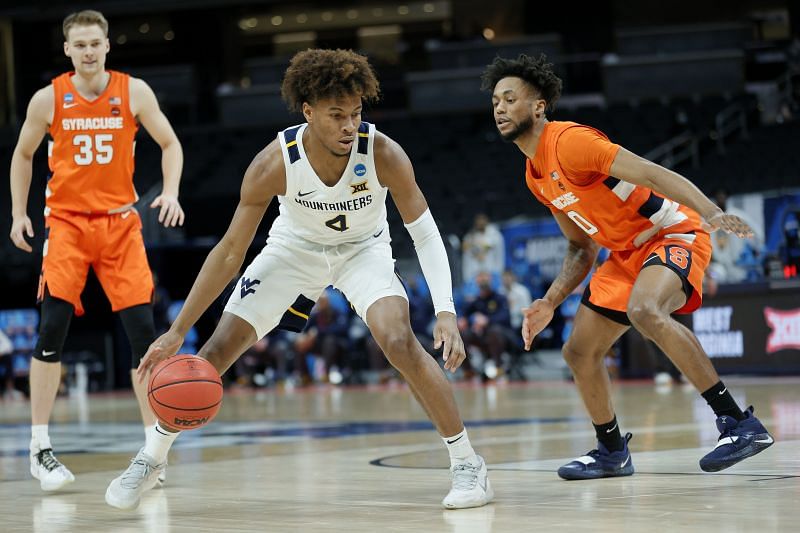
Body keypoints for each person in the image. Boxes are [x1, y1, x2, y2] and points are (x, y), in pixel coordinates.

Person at [105, 49, 493, 511]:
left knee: (399, 339)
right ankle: (152, 459)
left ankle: (468, 464)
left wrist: (446, 311)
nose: (350, 125)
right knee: (213, 353)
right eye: (336, 116)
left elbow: (425, 234)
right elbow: (229, 252)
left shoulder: (383, 152)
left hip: (363, 251)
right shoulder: (274, 162)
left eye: (356, 113)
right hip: (294, 252)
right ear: (308, 112)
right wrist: (176, 331)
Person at [481, 54, 773, 479]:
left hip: (672, 233)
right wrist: (548, 301)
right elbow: (581, 248)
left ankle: (740, 424)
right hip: (625, 255)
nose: (500, 108)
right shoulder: (534, 174)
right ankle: (611, 451)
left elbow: (652, 174)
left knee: (645, 310)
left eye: (510, 99)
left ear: (539, 106)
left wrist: (710, 212)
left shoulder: (572, 143)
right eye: (495, 102)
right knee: (578, 352)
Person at [8, 10, 184, 491]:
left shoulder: (134, 92)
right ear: (67, 50)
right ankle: (39, 447)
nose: (88, 51)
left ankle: (154, 452)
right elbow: (22, 154)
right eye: (79, 44)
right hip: (65, 223)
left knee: (143, 335)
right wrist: (19, 214)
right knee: (52, 327)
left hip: (120, 225)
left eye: (95, 43)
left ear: (107, 45)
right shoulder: (49, 99)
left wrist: (169, 192)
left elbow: (170, 144)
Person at [462, 213, 505, 282]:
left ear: (486, 221)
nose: (480, 223)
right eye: (478, 222)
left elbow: (499, 255)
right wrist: (467, 277)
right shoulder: (469, 237)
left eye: (482, 221)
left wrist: (498, 273)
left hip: (491, 272)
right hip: (475, 274)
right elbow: (466, 258)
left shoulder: (495, 235)